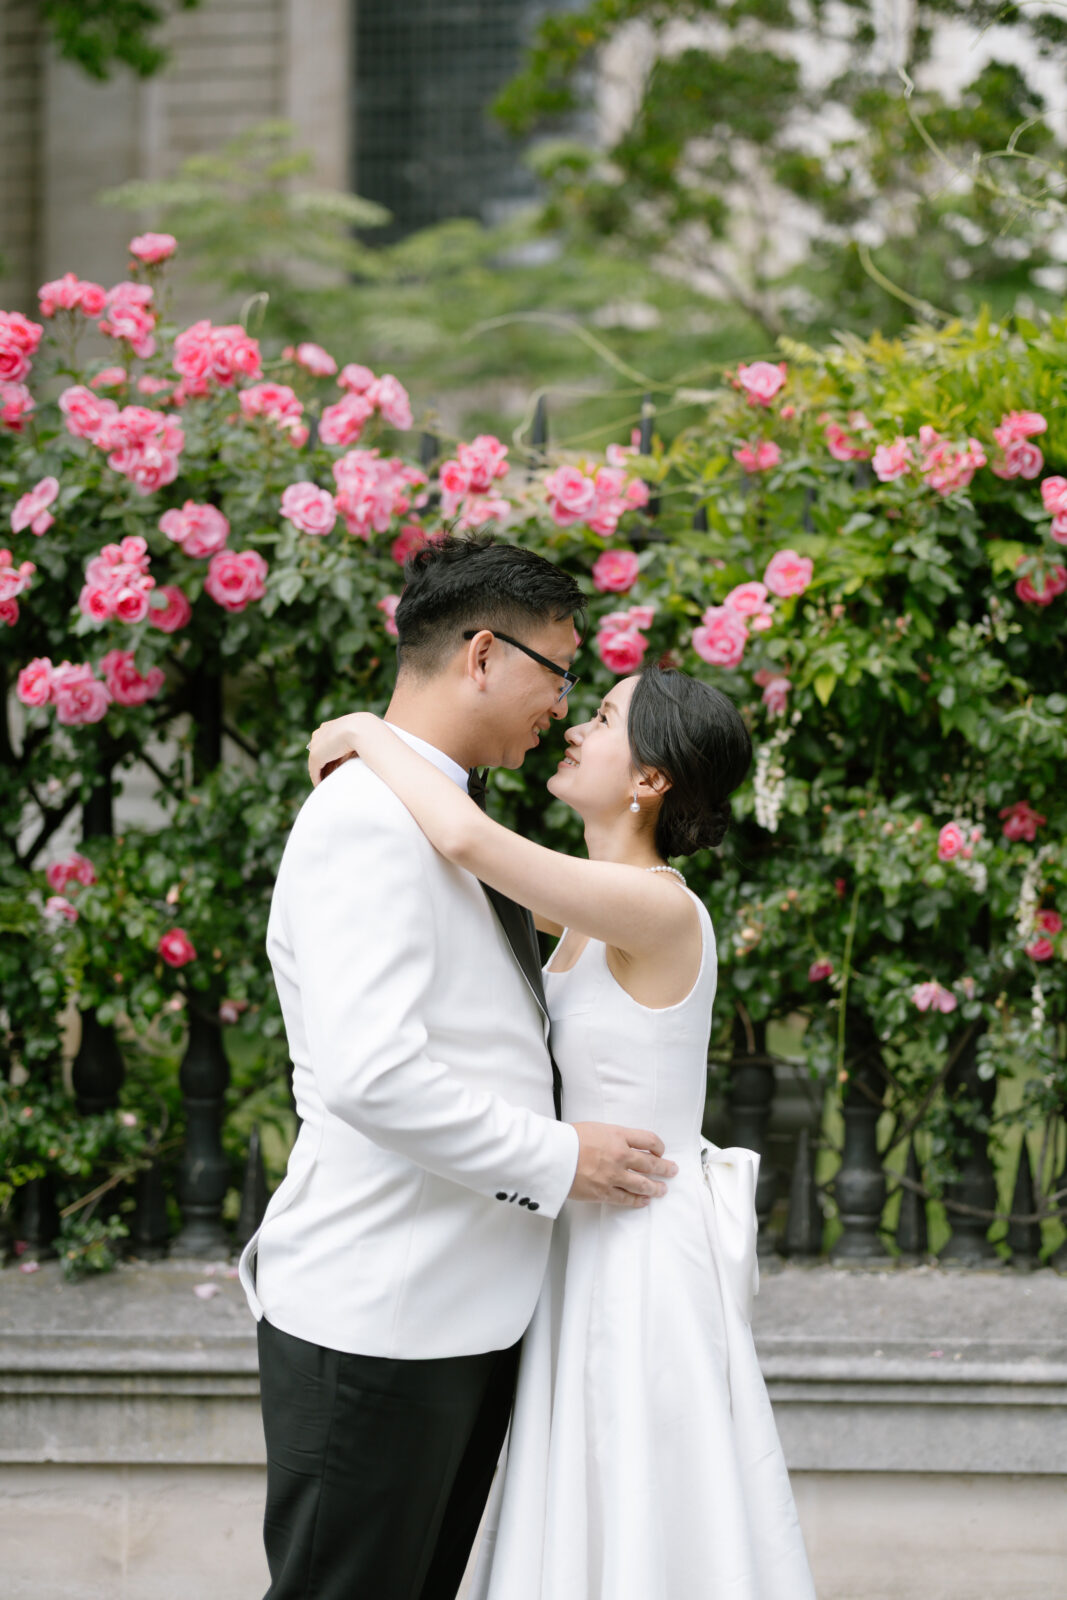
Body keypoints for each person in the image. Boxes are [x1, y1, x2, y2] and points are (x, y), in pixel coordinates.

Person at [308, 663, 817, 1600]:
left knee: (637, 1500)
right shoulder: (590, 903)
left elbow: (462, 835)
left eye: (602, 717)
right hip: (581, 1233)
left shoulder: (655, 908)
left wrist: (364, 731)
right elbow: (452, 872)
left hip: (639, 1252)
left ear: (649, 780)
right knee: (583, 1497)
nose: (574, 729)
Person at [238, 536, 678, 1600]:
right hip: (378, 1318)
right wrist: (557, 1154)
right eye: (558, 671)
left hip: (458, 1316)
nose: (563, 705)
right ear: (482, 653)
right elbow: (370, 1074)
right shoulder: (365, 821)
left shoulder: (439, 813)